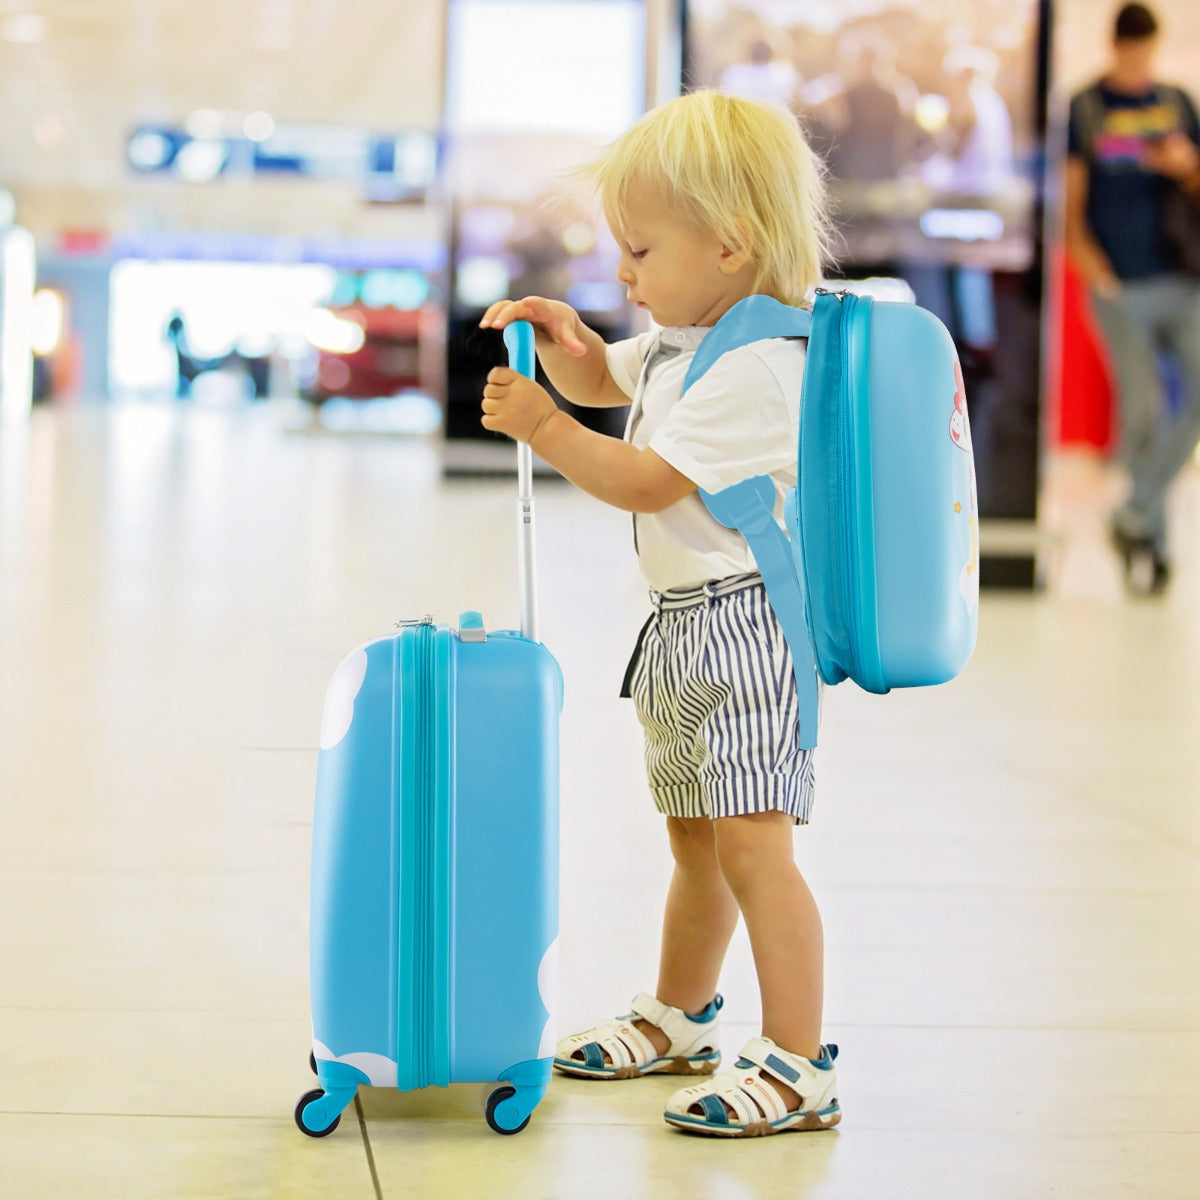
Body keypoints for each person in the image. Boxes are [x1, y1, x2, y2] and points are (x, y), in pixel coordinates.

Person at [478, 90, 840, 1138]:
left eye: (640, 250)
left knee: (754, 847)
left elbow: (643, 478)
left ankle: (799, 1062)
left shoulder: (763, 366)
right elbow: (603, 378)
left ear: (730, 247)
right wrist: (565, 345)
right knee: (696, 839)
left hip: (745, 630)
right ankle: (684, 1014)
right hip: (682, 626)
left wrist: (544, 427)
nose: (624, 274)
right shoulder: (689, 341)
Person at [1065, 2, 1200, 594]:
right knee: (1143, 412)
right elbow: (1071, 200)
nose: (1139, 62)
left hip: (1182, 278)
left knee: (1190, 406)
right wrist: (1094, 268)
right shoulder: (1087, 107)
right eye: (1131, 51)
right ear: (1115, 46)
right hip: (1121, 285)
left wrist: (1187, 167)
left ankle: (1135, 513)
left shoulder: (1177, 102)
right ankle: (1154, 545)